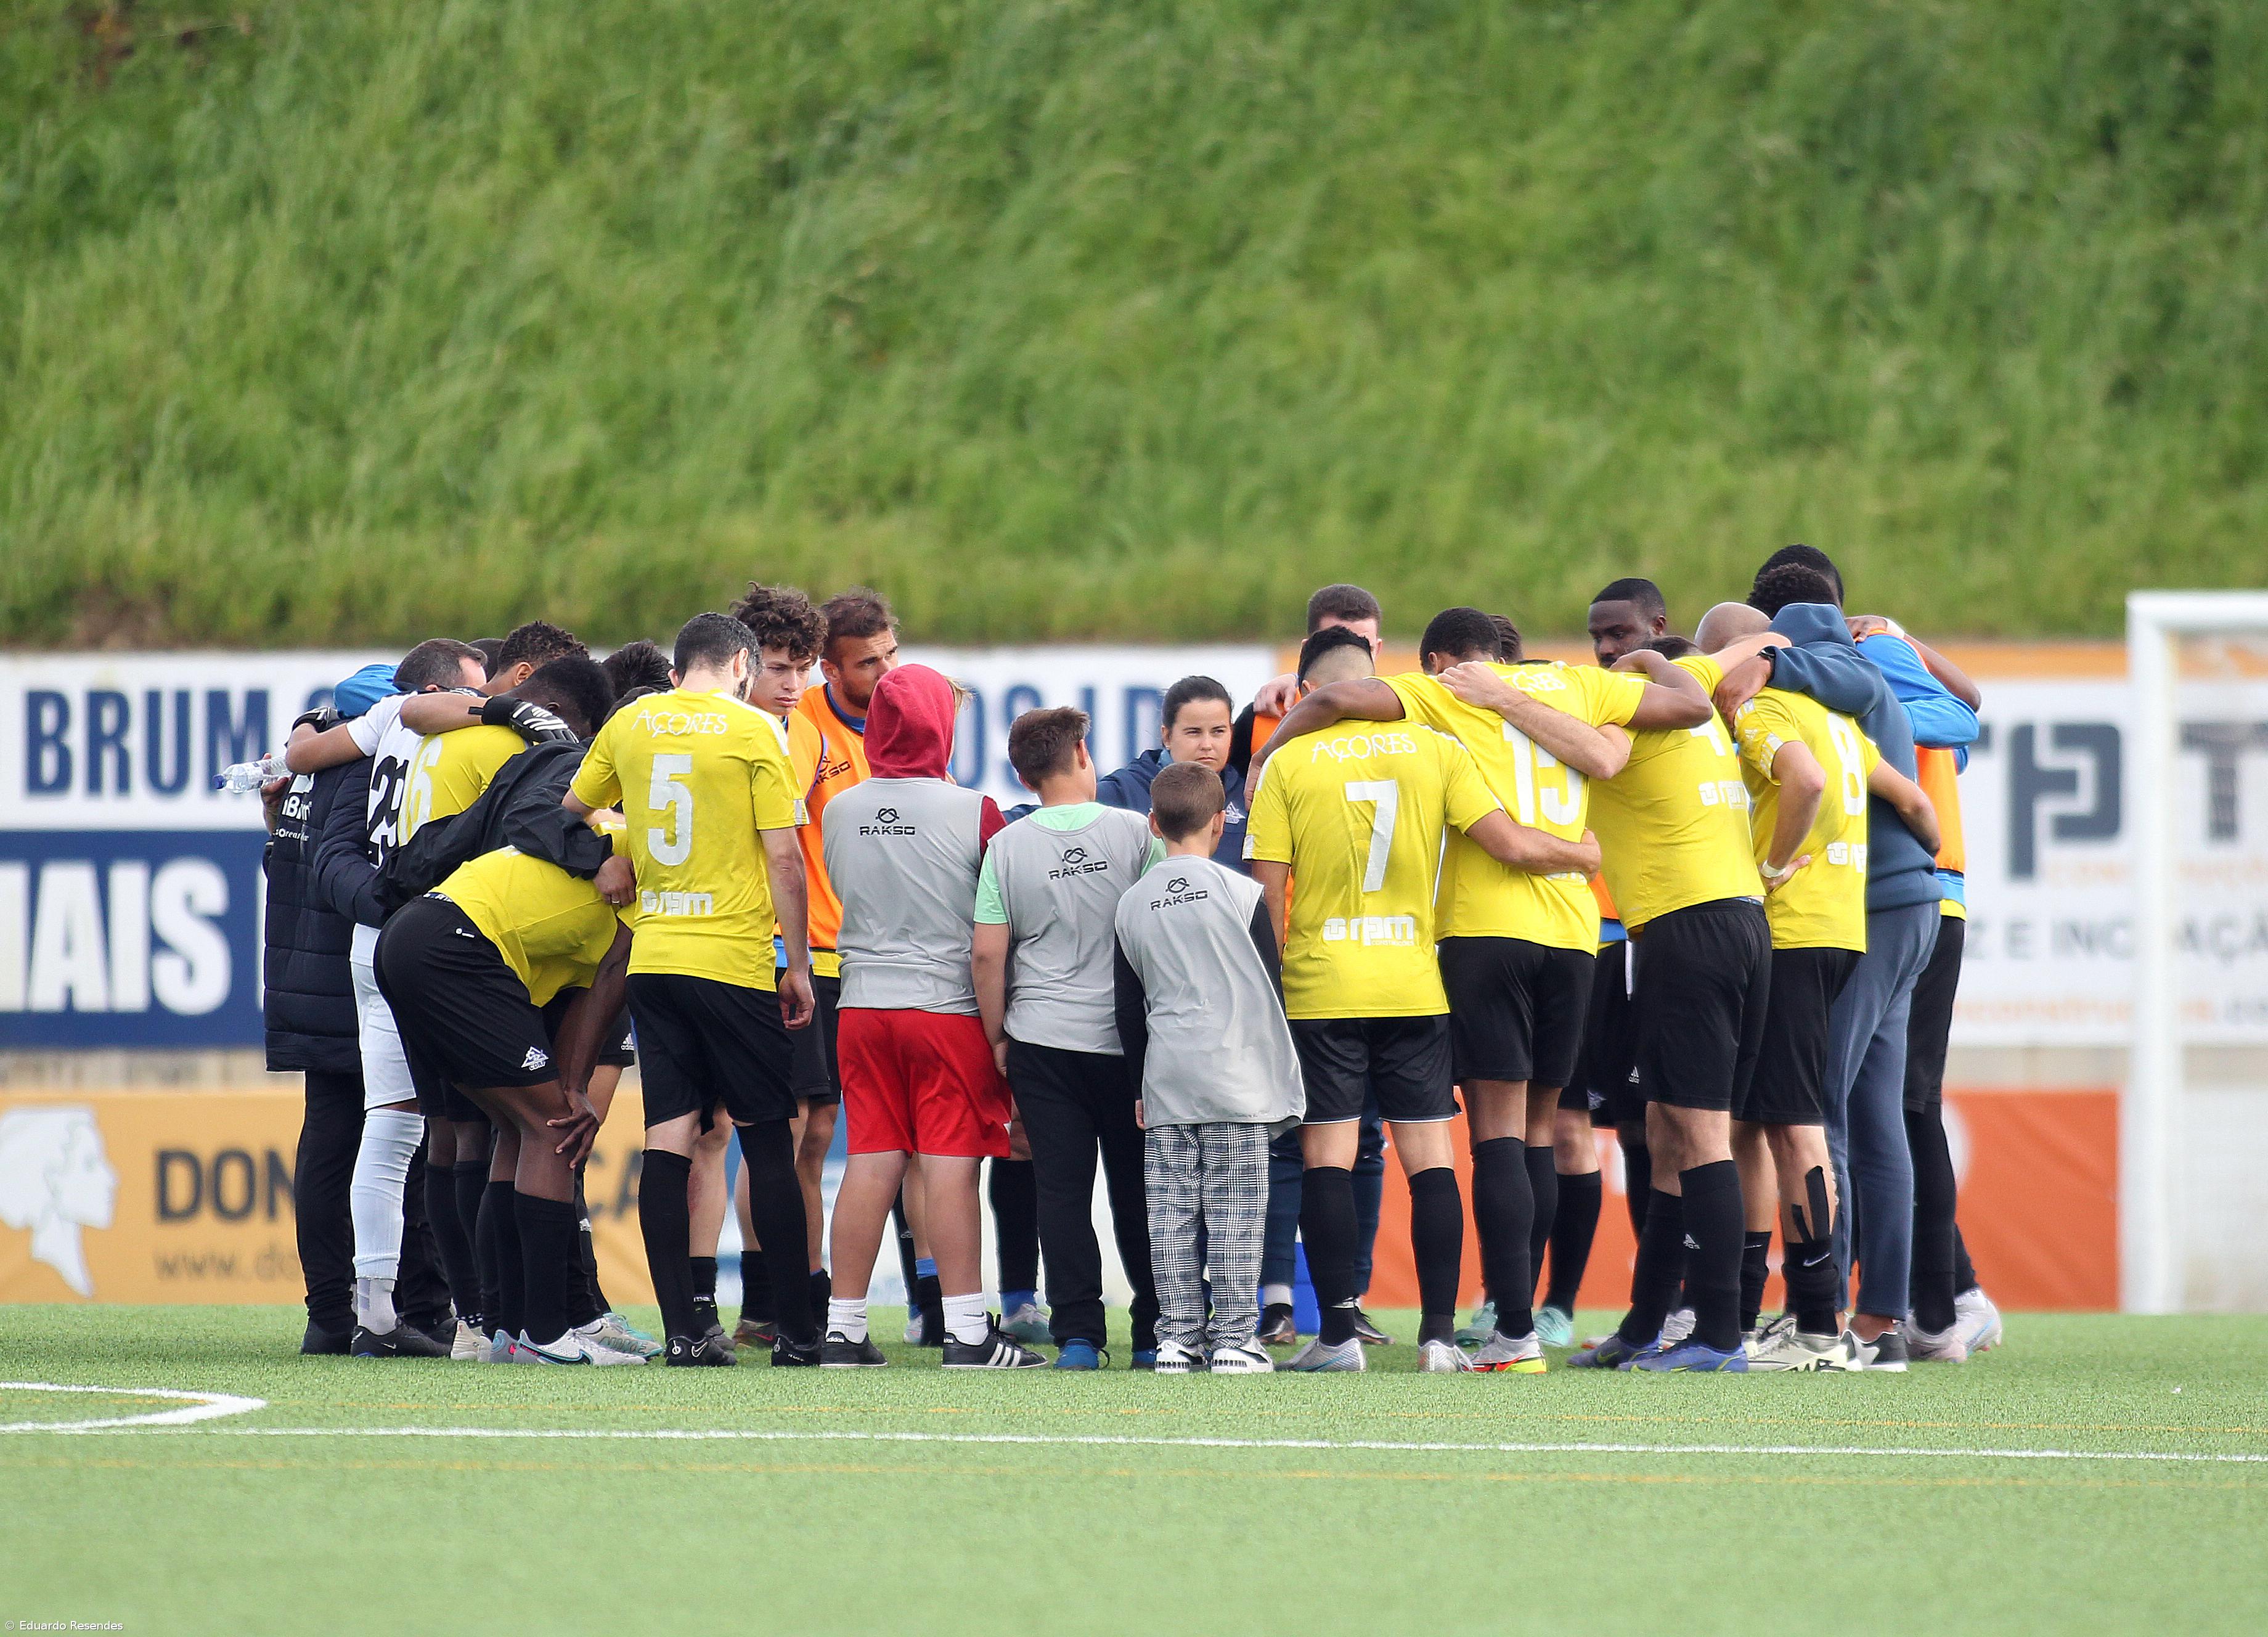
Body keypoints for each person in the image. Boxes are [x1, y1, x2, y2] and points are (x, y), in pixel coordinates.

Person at [1260, 605, 1707, 1372]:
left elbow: (1335, 703)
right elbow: (1692, 707)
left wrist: (1263, 753)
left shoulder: (1441, 697)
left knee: (1491, 1133)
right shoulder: (1578, 687)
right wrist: (1645, 665)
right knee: (1542, 1127)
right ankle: (1508, 1323)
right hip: (1572, 934)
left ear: (1439, 660)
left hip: (1472, 933)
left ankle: (1502, 1329)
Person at [1752, 545, 2001, 1359]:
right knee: (1876, 1113)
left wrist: (1768, 662)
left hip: (1879, 910)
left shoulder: (1857, 664)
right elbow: (1923, 788)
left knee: (1824, 1110)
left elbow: (1958, 715)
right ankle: (1883, 1320)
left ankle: (1832, 1315)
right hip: (1909, 902)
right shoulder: (1857, 677)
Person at [1507, 616, 1765, 1374]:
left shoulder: (1636, 717)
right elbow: (1743, 645)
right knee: (1663, 1131)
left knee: (1697, 1135)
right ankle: (1646, 1323)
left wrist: (1501, 696)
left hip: (1687, 931)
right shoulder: (1695, 690)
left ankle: (1718, 1334)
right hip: (1731, 924)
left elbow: (1592, 748)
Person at [565, 612, 821, 1367]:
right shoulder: (753, 733)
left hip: (654, 958)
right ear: (741, 663)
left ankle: (685, 1331)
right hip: (730, 959)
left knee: (669, 1136)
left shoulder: (633, 720)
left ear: (682, 666)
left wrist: (607, 856)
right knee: (767, 1139)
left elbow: (568, 814)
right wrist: (797, 963)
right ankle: (799, 1336)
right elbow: (784, 860)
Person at [1719, 565, 1950, 1369]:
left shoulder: (1768, 711)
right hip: (1854, 924)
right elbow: (1915, 802)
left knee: (1798, 1120)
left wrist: (1774, 867)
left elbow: (1804, 782)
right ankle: (1787, 1317)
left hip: (1790, 932)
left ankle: (1818, 1324)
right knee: (1787, 1119)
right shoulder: (1844, 721)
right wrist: (1918, 868)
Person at [818, 664, 1045, 1369]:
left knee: (870, 1159)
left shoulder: (839, 807)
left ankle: (843, 1327)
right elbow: (993, 920)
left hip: (859, 1003)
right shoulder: (973, 810)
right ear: (938, 727)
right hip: (944, 1007)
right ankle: (967, 1329)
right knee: (950, 1164)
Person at [373, 842, 640, 1365]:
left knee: (518, 1127)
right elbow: (612, 980)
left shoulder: (613, 840)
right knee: (552, 1128)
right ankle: (545, 1333)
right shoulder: (646, 855)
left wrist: (572, 1085)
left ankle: (507, 1330)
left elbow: (581, 995)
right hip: (451, 944)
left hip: (410, 937)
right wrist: (575, 1095)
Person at [975, 706, 1163, 1370]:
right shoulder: (1136, 831)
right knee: (1138, 1189)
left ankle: (1079, 1336)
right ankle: (1152, 1335)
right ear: (1082, 753)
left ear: (1021, 775)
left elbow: (987, 956)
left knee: (1060, 1189)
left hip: (1041, 1038)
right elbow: (1162, 926)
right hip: (1128, 1041)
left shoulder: (1005, 845)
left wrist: (997, 1038)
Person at [791, 588, 950, 1345]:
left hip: (889, 962)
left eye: (892, 653)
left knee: (911, 1142)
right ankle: (804, 1299)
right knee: (821, 1134)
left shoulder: (917, 716)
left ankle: (928, 1302)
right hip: (823, 957)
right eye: (868, 662)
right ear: (829, 667)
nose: (887, 671)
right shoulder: (802, 729)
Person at [1114, 762, 1305, 1373]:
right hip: (1237, 1077)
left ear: (1152, 825)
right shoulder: (1244, 894)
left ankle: (1176, 1339)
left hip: (1167, 1076)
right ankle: (1233, 1339)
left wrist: (1139, 1082)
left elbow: (1127, 1008)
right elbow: (1270, 987)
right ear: (1221, 823)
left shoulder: (1130, 903)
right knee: (1235, 1213)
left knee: (1169, 1211)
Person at [726, 582, 838, 1349]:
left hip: (818, 948)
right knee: (777, 1126)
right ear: (741, 666)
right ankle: (770, 1300)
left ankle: (803, 1290)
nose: (793, 682)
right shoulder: (745, 734)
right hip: (762, 950)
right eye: (776, 666)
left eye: (803, 667)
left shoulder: (797, 727)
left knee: (814, 1127)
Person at [263, 703, 386, 1354]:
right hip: (359, 983)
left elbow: (277, 866)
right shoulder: (370, 773)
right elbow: (353, 878)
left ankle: (329, 1313)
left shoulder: (302, 774)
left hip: (306, 983)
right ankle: (391, 1312)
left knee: (327, 1147)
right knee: (399, 1147)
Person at [1096, 675, 1250, 868]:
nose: (1207, 745)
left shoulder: (1248, 793)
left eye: (1218, 731)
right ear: (1167, 736)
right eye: (1193, 732)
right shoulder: (1124, 792)